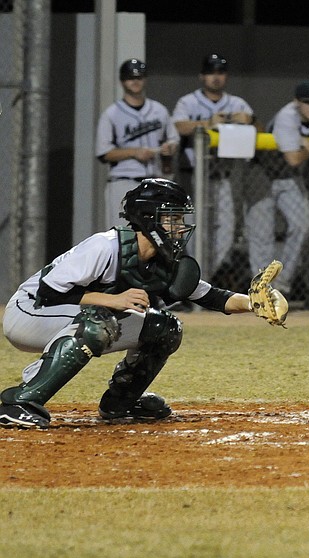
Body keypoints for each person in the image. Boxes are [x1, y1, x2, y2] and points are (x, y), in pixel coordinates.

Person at [0, 179, 272, 429]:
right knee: (99, 322)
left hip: (71, 316)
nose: (179, 226)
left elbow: (211, 296)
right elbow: (49, 292)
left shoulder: (163, 260)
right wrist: (112, 300)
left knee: (164, 328)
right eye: (172, 218)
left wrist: (255, 303)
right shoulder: (105, 246)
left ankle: (121, 402)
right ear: (148, 219)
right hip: (28, 313)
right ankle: (20, 400)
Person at [246, 80, 309, 296]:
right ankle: (260, 290)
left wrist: (308, 144)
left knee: (301, 225)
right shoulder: (287, 115)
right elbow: (293, 158)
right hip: (261, 173)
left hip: (288, 177)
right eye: (308, 102)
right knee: (262, 235)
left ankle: (281, 284)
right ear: (296, 102)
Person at [171, 53, 257, 281]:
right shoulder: (188, 101)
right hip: (195, 177)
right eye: (211, 72)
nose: (215, 77)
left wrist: (247, 119)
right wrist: (209, 123)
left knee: (226, 232)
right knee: (195, 230)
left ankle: (203, 278)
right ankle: (196, 278)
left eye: (220, 72)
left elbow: (258, 124)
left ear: (226, 76)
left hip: (224, 176)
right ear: (202, 76)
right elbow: (179, 126)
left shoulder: (236, 102)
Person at [96, 59, 179, 230]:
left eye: (139, 77)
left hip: (155, 183)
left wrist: (169, 148)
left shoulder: (159, 110)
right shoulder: (112, 113)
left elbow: (173, 139)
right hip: (123, 182)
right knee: (121, 233)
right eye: (130, 78)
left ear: (145, 79)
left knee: (155, 235)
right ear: (122, 81)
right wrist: (134, 152)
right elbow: (103, 152)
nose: (135, 81)